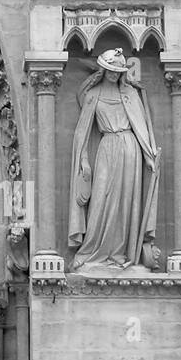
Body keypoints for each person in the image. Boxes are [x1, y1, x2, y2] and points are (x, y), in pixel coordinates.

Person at [68, 48, 161, 272]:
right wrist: (83, 162)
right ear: (103, 70)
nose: (112, 74)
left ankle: (120, 252)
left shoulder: (130, 95)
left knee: (125, 202)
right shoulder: (93, 95)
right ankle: (92, 251)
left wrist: (149, 156)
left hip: (130, 148)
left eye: (117, 71)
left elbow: (141, 127)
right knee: (100, 199)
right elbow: (82, 133)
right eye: (109, 70)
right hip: (106, 147)